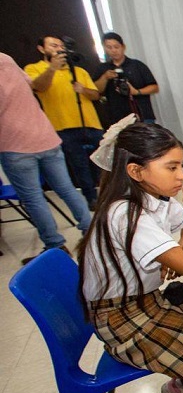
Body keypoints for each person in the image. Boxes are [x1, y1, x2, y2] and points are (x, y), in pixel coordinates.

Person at [77, 122, 183, 393]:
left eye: (181, 166)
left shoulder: (153, 199)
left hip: (146, 301)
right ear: (136, 171)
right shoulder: (125, 212)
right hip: (123, 320)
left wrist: (178, 249)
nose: (182, 176)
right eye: (171, 168)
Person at [0, 52, 92, 264]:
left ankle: (55, 245)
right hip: (46, 137)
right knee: (67, 189)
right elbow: (32, 86)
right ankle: (91, 232)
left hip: (15, 144)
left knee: (33, 198)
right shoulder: (6, 58)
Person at [25, 35, 104, 208]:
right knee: (79, 165)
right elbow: (39, 87)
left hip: (91, 124)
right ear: (41, 49)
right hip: (63, 127)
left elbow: (95, 95)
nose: (59, 48)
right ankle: (91, 199)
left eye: (61, 45)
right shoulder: (34, 68)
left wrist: (83, 89)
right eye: (53, 45)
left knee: (102, 163)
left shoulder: (78, 71)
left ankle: (108, 196)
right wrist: (52, 68)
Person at [92, 32, 159, 123]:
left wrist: (136, 92)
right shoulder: (102, 68)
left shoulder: (137, 65)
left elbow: (154, 87)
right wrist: (105, 77)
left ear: (123, 47)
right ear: (105, 48)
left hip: (142, 114)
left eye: (116, 47)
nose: (113, 50)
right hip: (118, 119)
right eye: (109, 47)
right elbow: (96, 91)